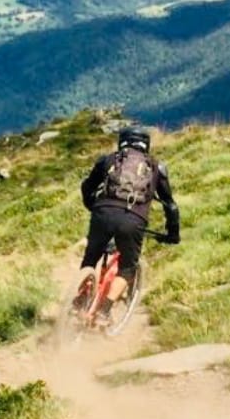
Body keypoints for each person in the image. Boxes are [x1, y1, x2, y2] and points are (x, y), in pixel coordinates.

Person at [76, 125, 180, 317]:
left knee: (91, 258)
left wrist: (94, 207)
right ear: (146, 145)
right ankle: (103, 313)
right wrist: (173, 233)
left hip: (102, 213)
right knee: (127, 268)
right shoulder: (156, 167)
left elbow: (87, 186)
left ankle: (80, 299)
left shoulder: (108, 160)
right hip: (133, 220)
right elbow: (170, 206)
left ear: (121, 141)